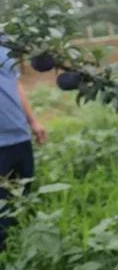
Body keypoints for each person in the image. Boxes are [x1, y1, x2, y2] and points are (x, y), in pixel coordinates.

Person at [0, 42, 48, 250]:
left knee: (23, 193)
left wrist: (33, 121)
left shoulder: (5, 50)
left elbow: (16, 85)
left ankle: (22, 245)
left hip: (20, 136)